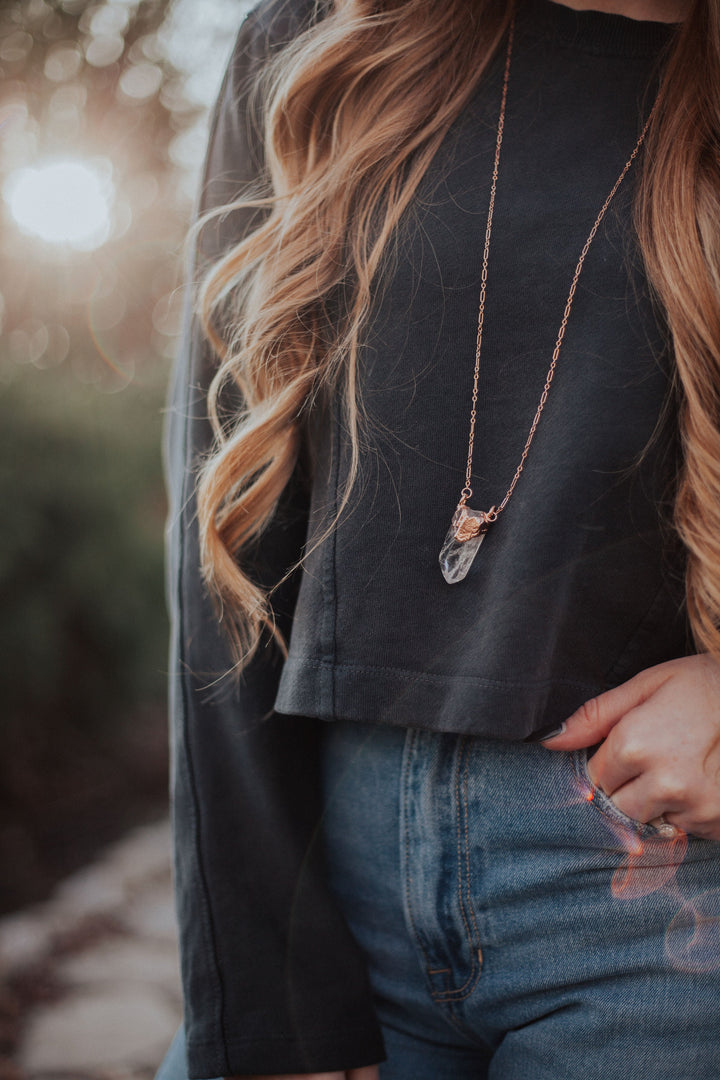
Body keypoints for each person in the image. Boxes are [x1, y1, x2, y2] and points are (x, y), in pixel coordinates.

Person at [155, 0, 720, 1077]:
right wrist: (265, 997)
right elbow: (222, 530)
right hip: (330, 862)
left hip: (669, 920)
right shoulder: (324, 37)